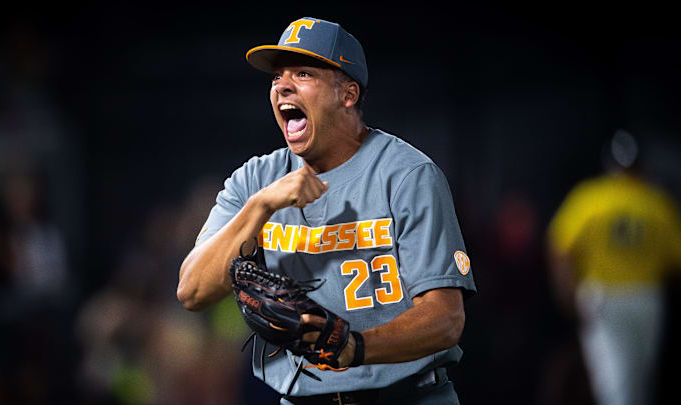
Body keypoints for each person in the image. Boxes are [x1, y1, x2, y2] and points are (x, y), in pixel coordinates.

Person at [177, 17, 477, 405]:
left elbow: (446, 320)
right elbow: (192, 290)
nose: (282, 84)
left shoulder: (407, 175)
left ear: (347, 94)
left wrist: (355, 345)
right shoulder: (256, 180)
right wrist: (262, 205)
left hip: (407, 397)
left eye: (303, 73)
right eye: (276, 76)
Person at [547, 130, 681, 405]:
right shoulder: (655, 201)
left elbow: (559, 246)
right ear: (641, 164)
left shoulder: (590, 198)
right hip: (646, 298)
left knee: (613, 381)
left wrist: (567, 295)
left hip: (603, 297)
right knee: (640, 380)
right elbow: (675, 261)